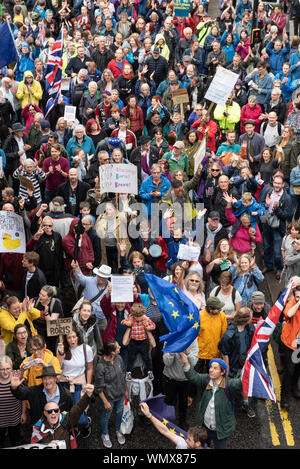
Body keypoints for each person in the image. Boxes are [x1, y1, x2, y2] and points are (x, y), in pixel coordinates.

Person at [180, 354, 242, 449]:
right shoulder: (206, 380)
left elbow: (241, 383)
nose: (211, 370)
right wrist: (186, 363)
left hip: (220, 430)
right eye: (211, 367)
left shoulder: (230, 385)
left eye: (215, 368)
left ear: (222, 372)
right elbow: (194, 377)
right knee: (203, 447)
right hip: (205, 428)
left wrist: (249, 370)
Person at [30, 383, 94, 449]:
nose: (53, 413)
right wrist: (48, 446)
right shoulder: (38, 428)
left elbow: (79, 408)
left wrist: (88, 395)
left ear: (59, 412)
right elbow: (33, 446)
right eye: (49, 411)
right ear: (45, 413)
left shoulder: (66, 419)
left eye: (56, 410)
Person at [218, 306, 256, 417]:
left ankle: (245, 403)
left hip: (245, 362)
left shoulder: (249, 328)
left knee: (245, 382)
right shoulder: (229, 334)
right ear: (245, 320)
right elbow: (224, 352)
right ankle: (227, 406)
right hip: (233, 363)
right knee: (230, 385)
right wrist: (227, 368)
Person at [56, 328, 93, 438]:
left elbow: (90, 368)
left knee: (80, 417)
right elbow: (57, 368)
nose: (72, 340)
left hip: (78, 383)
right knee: (66, 412)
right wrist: (60, 354)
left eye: (74, 336)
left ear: (78, 337)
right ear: (65, 339)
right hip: (63, 384)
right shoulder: (61, 349)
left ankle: (85, 424)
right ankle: (74, 428)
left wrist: (88, 384)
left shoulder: (86, 349)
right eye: (69, 337)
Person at [94, 340, 128, 448]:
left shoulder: (119, 359)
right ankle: (105, 434)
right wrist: (105, 401)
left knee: (119, 413)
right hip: (109, 398)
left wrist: (126, 391)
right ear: (112, 352)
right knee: (106, 416)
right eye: (117, 347)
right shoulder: (100, 366)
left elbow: (123, 376)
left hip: (120, 395)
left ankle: (118, 430)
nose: (120, 348)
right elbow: (98, 388)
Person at [260, 174, 292, 279]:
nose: (276, 185)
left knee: (278, 251)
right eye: (275, 183)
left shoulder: (286, 198)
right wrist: (267, 205)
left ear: (283, 184)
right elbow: (261, 204)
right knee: (267, 246)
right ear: (273, 183)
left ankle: (279, 269)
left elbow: (286, 215)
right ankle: (268, 266)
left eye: (279, 183)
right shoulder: (269, 192)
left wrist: (276, 208)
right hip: (267, 224)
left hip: (278, 228)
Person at [162, 339, 199, 431]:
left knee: (183, 403)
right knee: (168, 402)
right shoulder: (171, 337)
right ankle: (166, 423)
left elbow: (193, 363)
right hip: (170, 378)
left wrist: (188, 352)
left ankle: (182, 422)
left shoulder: (193, 339)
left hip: (185, 379)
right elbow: (167, 362)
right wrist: (172, 352)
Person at [140, 402, 208, 449]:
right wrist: (149, 415)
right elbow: (165, 431)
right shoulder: (183, 445)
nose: (186, 440)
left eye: (189, 440)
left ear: (198, 443)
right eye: (187, 438)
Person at [71, 262, 111, 336]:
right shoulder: (89, 281)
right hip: (87, 319)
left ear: (107, 278)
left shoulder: (111, 287)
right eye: (99, 276)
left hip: (102, 321)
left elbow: (113, 305)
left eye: (103, 277)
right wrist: (76, 267)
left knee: (101, 341)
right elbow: (80, 276)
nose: (100, 278)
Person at [121, 302, 155, 381]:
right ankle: (128, 372)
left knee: (146, 357)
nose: (139, 318)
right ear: (134, 315)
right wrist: (127, 323)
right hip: (133, 342)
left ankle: (150, 371)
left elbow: (153, 325)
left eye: (140, 316)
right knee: (131, 357)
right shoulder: (131, 317)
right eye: (137, 317)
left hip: (143, 342)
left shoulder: (145, 319)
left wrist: (148, 327)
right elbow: (122, 322)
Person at [195, 297, 228, 374]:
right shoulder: (199, 315)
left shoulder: (222, 316)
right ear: (210, 308)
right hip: (200, 353)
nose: (220, 310)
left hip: (215, 353)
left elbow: (224, 334)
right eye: (218, 308)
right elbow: (195, 334)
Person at [280, 286, 300, 409]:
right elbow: (288, 314)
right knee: (289, 370)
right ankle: (284, 397)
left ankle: (294, 388)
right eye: (298, 296)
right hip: (290, 343)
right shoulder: (292, 304)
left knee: (298, 368)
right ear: (294, 296)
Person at [0, 356, 24, 448]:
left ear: (11, 368)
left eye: (8, 369)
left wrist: (23, 413)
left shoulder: (15, 377)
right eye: (2, 369)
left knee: (15, 442)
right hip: (1, 419)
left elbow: (23, 398)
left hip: (14, 417)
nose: (5, 372)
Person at [33, 285, 63, 354]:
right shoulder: (35, 301)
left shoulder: (55, 304)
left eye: (43, 295)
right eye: (40, 294)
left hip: (51, 335)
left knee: (50, 352)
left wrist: (46, 313)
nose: (40, 296)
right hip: (38, 331)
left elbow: (52, 323)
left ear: (49, 297)